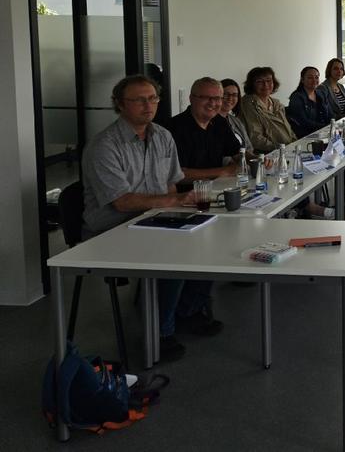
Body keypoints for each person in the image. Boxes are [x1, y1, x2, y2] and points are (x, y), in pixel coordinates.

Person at [81, 75, 218, 362]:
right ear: (120, 104)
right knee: (171, 254)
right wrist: (174, 202)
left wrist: (177, 211)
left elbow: (170, 184)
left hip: (154, 218)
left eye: (153, 98)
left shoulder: (163, 136)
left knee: (208, 238)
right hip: (112, 229)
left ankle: (188, 310)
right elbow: (122, 202)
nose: (148, 105)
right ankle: (159, 333)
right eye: (139, 100)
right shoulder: (104, 145)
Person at [168, 77, 241, 181]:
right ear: (191, 98)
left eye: (217, 98)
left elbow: (237, 153)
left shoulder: (219, 122)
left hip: (219, 187)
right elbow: (176, 174)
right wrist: (222, 171)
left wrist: (258, 160)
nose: (212, 103)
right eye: (205, 97)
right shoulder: (173, 128)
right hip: (189, 190)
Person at [240, 66, 297, 154]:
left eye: (269, 80)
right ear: (252, 84)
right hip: (267, 153)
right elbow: (256, 138)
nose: (265, 85)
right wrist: (280, 148)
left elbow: (288, 130)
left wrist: (295, 143)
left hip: (286, 149)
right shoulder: (248, 104)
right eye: (259, 81)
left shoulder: (276, 103)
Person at [287, 65, 334, 138]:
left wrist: (333, 125)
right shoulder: (296, 97)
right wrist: (326, 127)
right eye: (310, 78)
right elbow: (304, 122)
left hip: (324, 132)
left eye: (316, 77)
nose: (314, 80)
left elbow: (330, 114)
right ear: (302, 80)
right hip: (308, 136)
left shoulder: (321, 93)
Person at [219, 78, 254, 155]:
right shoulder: (210, 121)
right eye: (225, 94)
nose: (230, 98)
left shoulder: (236, 120)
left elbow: (249, 147)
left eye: (234, 95)